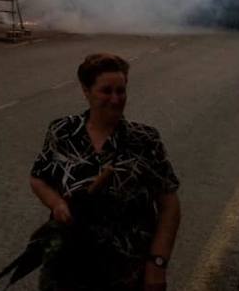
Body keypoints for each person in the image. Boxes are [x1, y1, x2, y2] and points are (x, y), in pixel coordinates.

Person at [30, 53, 181, 291]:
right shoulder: (62, 132)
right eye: (106, 91)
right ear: (86, 91)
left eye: (121, 91)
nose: (115, 99)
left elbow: (169, 205)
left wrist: (158, 263)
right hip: (66, 267)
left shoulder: (145, 140)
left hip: (125, 272)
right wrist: (56, 204)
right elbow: (38, 178)